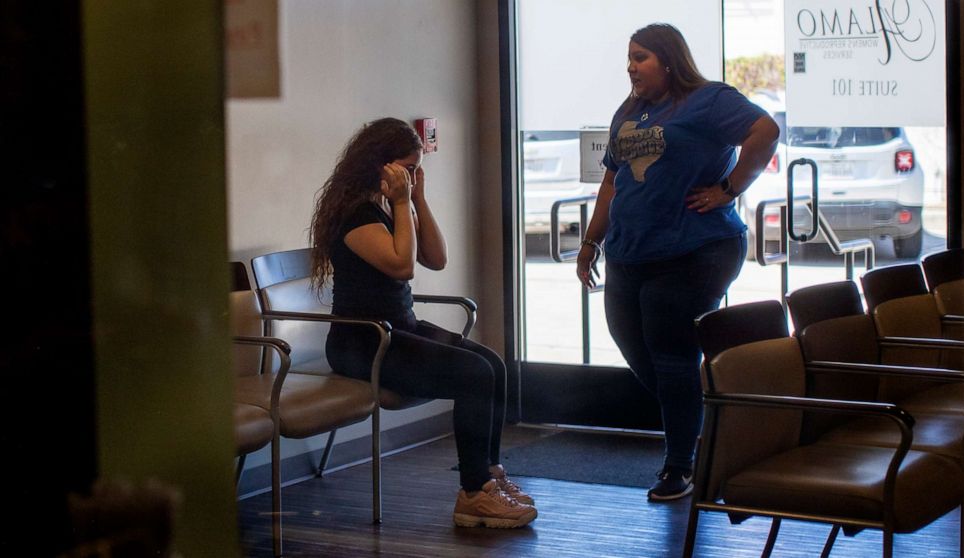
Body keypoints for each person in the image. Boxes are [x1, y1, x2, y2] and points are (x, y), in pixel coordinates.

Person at [575, 24, 779, 501]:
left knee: (670, 349)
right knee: (633, 343)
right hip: (630, 250)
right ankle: (705, 410)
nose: (631, 66)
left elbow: (765, 131)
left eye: (641, 57)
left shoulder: (708, 100)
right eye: (629, 58)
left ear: (669, 60)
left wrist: (729, 188)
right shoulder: (629, 112)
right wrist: (590, 243)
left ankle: (679, 465)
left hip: (697, 249)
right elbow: (612, 180)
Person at [310, 117, 537, 528]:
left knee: (493, 365)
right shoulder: (356, 215)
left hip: (398, 328)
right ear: (380, 166)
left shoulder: (386, 206)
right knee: (472, 375)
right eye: (406, 168)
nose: (412, 176)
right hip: (361, 344)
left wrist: (418, 199)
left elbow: (435, 257)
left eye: (416, 168)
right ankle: (474, 494)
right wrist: (401, 204)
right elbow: (402, 266)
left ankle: (489, 476)